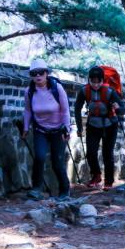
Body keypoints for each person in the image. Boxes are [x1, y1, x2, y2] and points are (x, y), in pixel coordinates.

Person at [22, 58, 72, 201]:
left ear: (46, 73)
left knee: (57, 161)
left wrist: (67, 129)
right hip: (40, 130)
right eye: (34, 73)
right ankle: (36, 188)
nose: (38, 76)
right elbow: (28, 111)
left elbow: (65, 110)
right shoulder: (30, 91)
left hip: (58, 130)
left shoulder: (57, 89)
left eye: (41, 73)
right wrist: (26, 128)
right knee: (39, 157)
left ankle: (64, 190)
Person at [74, 66, 125, 190]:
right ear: (89, 80)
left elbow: (122, 111)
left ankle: (109, 181)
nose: (96, 85)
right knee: (91, 152)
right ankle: (96, 175)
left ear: (103, 80)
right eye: (93, 82)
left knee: (107, 153)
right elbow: (77, 109)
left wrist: (117, 107)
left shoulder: (110, 91)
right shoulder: (84, 91)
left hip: (110, 125)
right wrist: (79, 127)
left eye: (99, 82)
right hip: (93, 124)